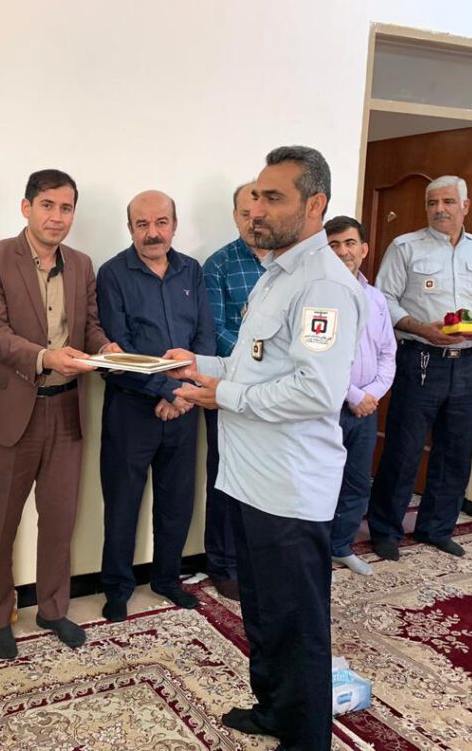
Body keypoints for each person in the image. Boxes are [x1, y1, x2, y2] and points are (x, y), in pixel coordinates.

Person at [167, 146, 365, 750]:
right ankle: (275, 708)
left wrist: (222, 395)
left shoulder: (324, 285)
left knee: (297, 622)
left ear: (315, 204)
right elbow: (253, 364)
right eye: (256, 196)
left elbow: (315, 390)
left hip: (290, 487)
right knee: (264, 610)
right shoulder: (278, 274)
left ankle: (307, 737)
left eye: (273, 198)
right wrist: (198, 363)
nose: (257, 209)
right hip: (250, 478)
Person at [0, 169, 118, 660]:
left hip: (67, 408)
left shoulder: (82, 264)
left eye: (66, 208)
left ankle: (53, 609)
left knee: (59, 519)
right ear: (26, 207)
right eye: (47, 205)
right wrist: (46, 357)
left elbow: (89, 326)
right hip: (14, 411)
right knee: (2, 522)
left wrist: (106, 348)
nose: (57, 217)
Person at [367, 175, 472, 561]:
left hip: (468, 364)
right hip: (421, 360)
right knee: (404, 450)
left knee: (455, 450)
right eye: (432, 203)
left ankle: (436, 528)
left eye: (447, 202)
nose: (439, 209)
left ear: (465, 206)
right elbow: (382, 300)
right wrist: (419, 327)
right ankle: (385, 531)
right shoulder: (405, 247)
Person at [96, 190, 215, 621]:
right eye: (142, 224)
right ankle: (117, 587)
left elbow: (204, 336)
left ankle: (167, 579)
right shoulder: (112, 274)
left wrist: (183, 393)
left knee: (176, 501)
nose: (152, 233)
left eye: (161, 222)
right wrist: (167, 390)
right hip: (132, 409)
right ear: (130, 228)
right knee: (122, 503)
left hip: (184, 409)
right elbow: (119, 351)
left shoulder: (192, 271)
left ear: (174, 225)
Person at [200, 182, 266, 598]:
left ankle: (257, 561)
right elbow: (214, 331)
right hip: (228, 390)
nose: (254, 220)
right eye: (245, 213)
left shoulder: (287, 266)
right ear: (235, 216)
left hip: (275, 396)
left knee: (264, 481)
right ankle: (223, 565)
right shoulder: (218, 265)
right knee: (225, 479)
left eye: (261, 212)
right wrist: (257, 366)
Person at [325, 216, 396, 576]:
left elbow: (388, 353)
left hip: (366, 410)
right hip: (329, 407)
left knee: (356, 482)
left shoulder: (376, 298)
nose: (343, 251)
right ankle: (315, 552)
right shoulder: (318, 296)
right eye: (334, 245)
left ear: (364, 249)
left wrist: (371, 395)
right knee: (322, 483)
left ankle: (341, 546)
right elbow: (318, 360)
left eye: (350, 243)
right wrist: (353, 395)